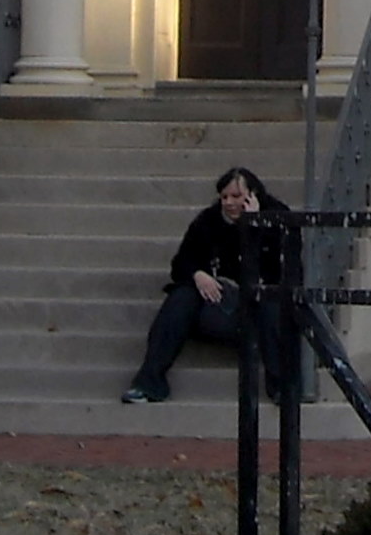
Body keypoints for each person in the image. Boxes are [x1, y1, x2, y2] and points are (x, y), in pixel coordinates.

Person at [124, 164, 292, 403]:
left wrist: (253, 224)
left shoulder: (277, 218)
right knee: (181, 298)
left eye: (236, 196)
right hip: (220, 306)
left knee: (271, 302)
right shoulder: (209, 221)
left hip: (259, 308)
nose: (229, 203)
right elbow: (181, 262)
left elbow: (278, 269)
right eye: (224, 197)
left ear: (253, 195)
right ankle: (149, 383)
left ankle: (281, 388)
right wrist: (197, 274)